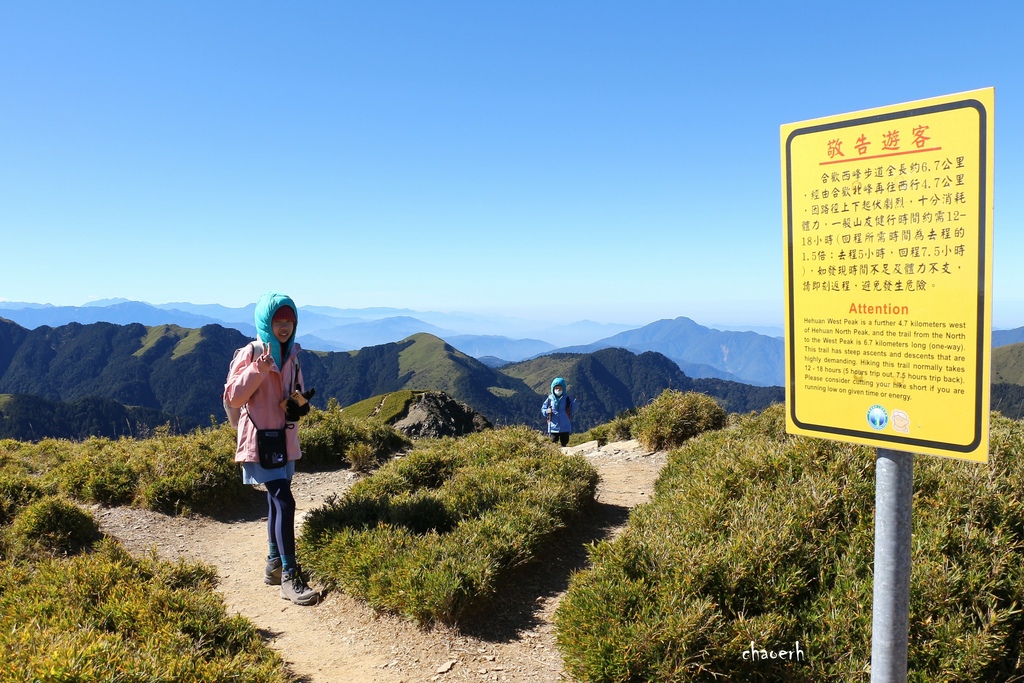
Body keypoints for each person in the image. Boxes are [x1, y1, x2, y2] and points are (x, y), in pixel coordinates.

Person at [223, 291, 318, 606]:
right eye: (278, 321)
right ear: (266, 321)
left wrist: (300, 405)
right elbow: (233, 397)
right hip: (260, 441)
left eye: (289, 321)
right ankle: (290, 576)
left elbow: (298, 394)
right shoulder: (251, 353)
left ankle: (274, 563)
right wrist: (258, 369)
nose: (284, 327)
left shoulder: (293, 355)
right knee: (285, 502)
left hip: (284, 440)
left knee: (277, 503)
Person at [541, 377, 576, 447]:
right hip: (553, 427)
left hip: (565, 426)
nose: (558, 390)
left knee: (565, 443)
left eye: (560, 388)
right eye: (556, 388)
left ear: (563, 389)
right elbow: (543, 409)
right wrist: (547, 411)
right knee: (553, 444)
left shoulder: (567, 399)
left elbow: (573, 409)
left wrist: (577, 402)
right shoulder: (549, 399)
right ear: (553, 389)